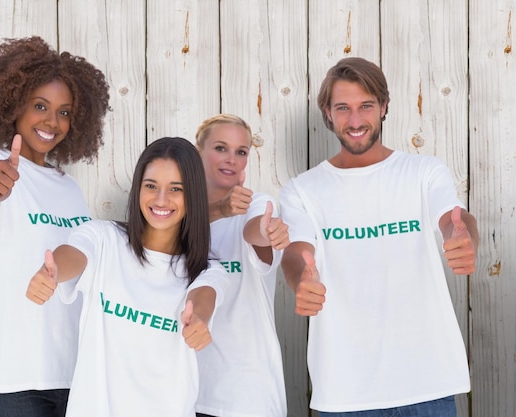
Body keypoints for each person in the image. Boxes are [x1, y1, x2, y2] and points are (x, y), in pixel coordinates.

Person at [279, 57, 479, 417]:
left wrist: (463, 238)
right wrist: (299, 281)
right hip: (345, 393)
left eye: (366, 106)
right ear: (327, 112)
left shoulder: (423, 172)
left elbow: (454, 218)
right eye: (343, 108)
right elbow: (297, 253)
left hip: (428, 383)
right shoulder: (302, 190)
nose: (355, 121)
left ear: (384, 106)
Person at [26, 137, 229, 417]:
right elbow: (74, 253)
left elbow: (204, 296)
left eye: (176, 189)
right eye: (151, 186)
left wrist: (199, 320)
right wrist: (53, 272)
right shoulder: (104, 238)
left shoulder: (208, 270)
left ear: (193, 194)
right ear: (138, 189)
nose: (161, 199)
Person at [0, 36, 110, 417]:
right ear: (13, 105)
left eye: (64, 112)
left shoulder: (70, 188)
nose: (52, 121)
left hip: (78, 372)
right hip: (20, 376)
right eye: (40, 106)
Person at [194, 114, 289, 417]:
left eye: (241, 152)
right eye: (221, 148)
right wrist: (219, 209)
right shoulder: (170, 213)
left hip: (247, 398)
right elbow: (170, 230)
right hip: (187, 393)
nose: (231, 159)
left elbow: (255, 230)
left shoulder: (258, 204)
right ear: (198, 151)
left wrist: (268, 231)